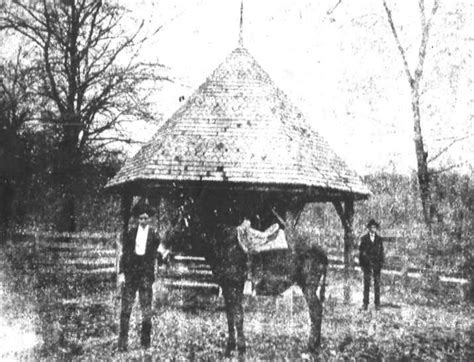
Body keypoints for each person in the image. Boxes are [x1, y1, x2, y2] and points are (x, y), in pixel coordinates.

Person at [117, 203, 167, 352]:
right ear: (137, 219)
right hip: (131, 274)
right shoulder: (131, 233)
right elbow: (124, 254)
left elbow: (160, 253)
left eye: (146, 218)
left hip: (145, 275)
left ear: (149, 219)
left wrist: (163, 256)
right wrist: (122, 273)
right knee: (126, 309)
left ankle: (145, 343)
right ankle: (122, 343)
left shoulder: (154, 235)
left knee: (146, 310)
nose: (143, 221)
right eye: (141, 218)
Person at [359, 218, 384, 310]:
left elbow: (381, 252)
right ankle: (365, 303)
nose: (373, 229)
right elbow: (361, 253)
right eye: (371, 227)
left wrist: (381, 263)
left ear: (376, 228)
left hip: (377, 264)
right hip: (367, 265)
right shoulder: (364, 239)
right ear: (369, 228)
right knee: (366, 284)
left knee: (377, 284)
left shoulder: (379, 239)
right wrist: (362, 264)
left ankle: (377, 304)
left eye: (375, 227)